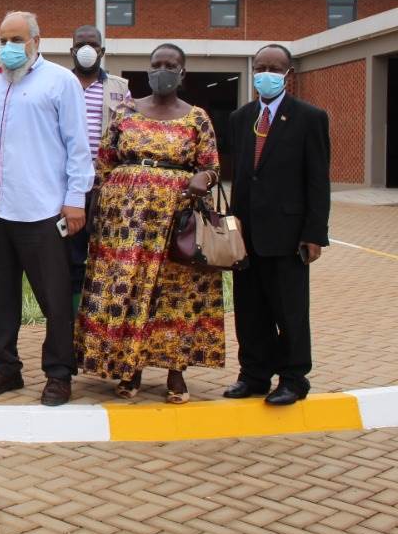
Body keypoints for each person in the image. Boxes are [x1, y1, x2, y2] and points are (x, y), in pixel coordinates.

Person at [75, 43, 224, 404]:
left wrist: (203, 177)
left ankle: (175, 371)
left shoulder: (197, 118)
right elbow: (105, 160)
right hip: (125, 221)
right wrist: (99, 206)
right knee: (128, 290)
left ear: (182, 73)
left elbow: (212, 167)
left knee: (174, 294)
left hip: (177, 219)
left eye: (170, 65)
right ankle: (130, 367)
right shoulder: (126, 110)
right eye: (157, 64)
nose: (162, 71)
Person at [0, 11, 92, 407]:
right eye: (3, 40)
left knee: (54, 298)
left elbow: (78, 145)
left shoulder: (60, 81)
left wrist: (75, 199)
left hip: (42, 210)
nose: (9, 47)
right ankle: (6, 367)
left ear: (37, 41)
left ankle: (59, 373)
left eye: (17, 40)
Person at [224, 44, 330, 406]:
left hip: (288, 235)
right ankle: (254, 375)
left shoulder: (310, 118)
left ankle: (293, 379)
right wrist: (233, 229)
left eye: (273, 68)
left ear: (288, 74)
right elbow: (241, 179)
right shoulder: (241, 118)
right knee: (250, 310)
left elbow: (317, 181)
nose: (265, 74)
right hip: (247, 235)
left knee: (290, 311)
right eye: (260, 67)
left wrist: (314, 234)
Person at [68, 25, 130, 313]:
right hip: (68, 188)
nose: (86, 49)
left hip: (105, 187)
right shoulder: (59, 82)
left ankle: (99, 317)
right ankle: (71, 318)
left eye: (92, 44)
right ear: (72, 50)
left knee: (105, 253)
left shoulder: (120, 88)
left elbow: (128, 134)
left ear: (102, 51)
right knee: (70, 256)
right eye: (81, 44)